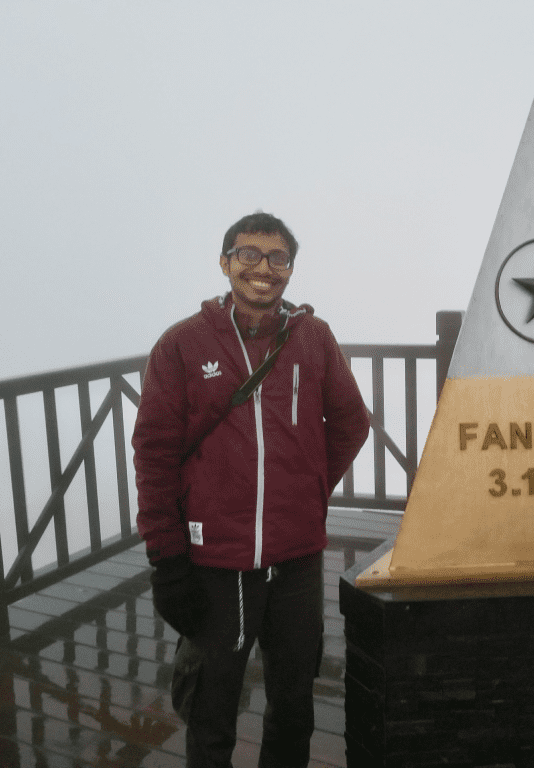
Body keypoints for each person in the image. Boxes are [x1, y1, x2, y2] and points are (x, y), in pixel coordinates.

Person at [133, 212, 370, 767]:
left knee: (293, 705)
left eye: (278, 258)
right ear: (225, 263)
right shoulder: (184, 345)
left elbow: (352, 422)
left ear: (290, 270)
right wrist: (167, 561)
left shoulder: (313, 339)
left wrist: (309, 489)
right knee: (211, 709)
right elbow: (155, 454)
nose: (263, 268)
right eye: (248, 254)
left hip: (296, 560)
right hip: (216, 561)